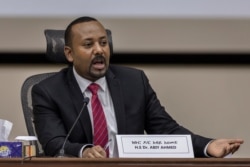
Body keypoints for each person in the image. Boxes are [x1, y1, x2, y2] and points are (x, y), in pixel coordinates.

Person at [32, 16, 243, 158]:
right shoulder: (48, 91)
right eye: (88, 45)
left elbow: (165, 130)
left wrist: (207, 146)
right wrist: (84, 151)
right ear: (69, 53)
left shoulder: (134, 81)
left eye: (103, 43)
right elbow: (54, 143)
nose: (99, 50)